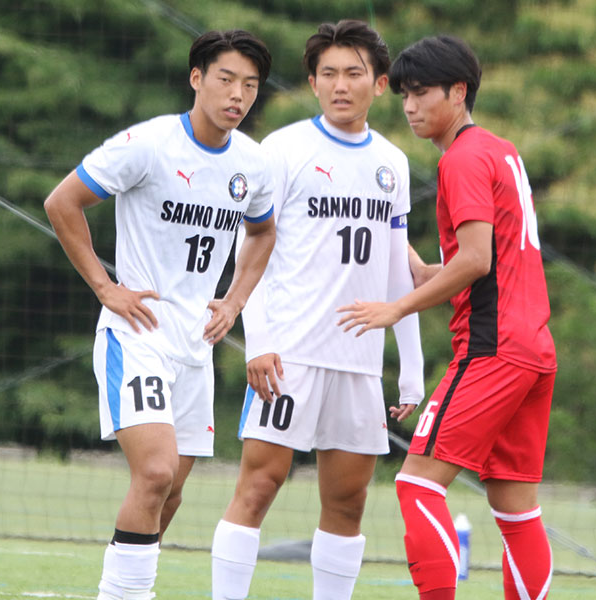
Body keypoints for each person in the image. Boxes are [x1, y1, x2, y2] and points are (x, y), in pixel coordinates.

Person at [44, 29, 276, 600]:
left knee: (169, 493)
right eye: (226, 79)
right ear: (196, 78)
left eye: (250, 85)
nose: (238, 95)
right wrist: (106, 287)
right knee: (154, 472)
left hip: (197, 345)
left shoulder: (253, 163)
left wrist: (235, 300)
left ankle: (123, 587)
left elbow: (263, 232)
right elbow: (62, 201)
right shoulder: (147, 144)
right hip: (137, 334)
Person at [210, 20, 424, 600]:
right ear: (312, 82)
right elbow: (250, 250)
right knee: (258, 487)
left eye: (354, 73)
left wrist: (410, 369)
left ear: (380, 84)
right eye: (328, 73)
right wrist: (258, 343)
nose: (340, 85)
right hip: (290, 355)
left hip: (358, 363)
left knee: (349, 502)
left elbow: (396, 270)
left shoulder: (392, 162)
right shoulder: (283, 150)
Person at [337, 35, 556, 600]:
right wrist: (416, 269)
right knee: (516, 510)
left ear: (458, 92)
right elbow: (488, 261)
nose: (410, 107)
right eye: (404, 95)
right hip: (532, 349)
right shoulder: (499, 150)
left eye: (422, 93)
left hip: (492, 349)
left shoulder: (461, 159)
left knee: (416, 484)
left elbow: (476, 261)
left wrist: (396, 308)